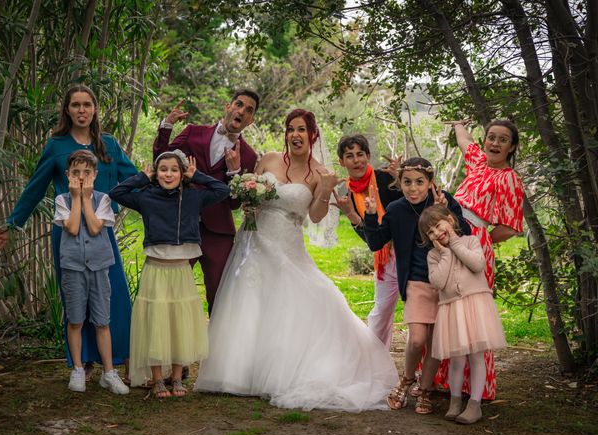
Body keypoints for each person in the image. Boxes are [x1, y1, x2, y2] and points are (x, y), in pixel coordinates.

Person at [194, 109, 399, 411]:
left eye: (302, 129)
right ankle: (236, 373)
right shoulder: (268, 160)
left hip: (286, 243)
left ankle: (280, 369)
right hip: (252, 239)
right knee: (246, 300)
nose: (295, 135)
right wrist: (244, 188)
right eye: (291, 129)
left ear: (312, 135)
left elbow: (315, 216)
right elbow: (245, 192)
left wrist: (326, 189)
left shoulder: (319, 173)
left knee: (287, 301)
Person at [0, 85, 137, 379]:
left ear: (95, 109)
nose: (82, 110)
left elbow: (132, 179)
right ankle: (82, 365)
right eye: (75, 105)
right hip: (68, 234)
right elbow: (35, 187)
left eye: (87, 105)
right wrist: (12, 223)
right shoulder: (56, 146)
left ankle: (120, 359)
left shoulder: (108, 144)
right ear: (67, 110)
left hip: (100, 231)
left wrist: (122, 203)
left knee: (114, 295)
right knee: (76, 298)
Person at [109, 151, 230, 398]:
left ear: (182, 173)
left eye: (174, 169)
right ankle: (157, 379)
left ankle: (176, 377)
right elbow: (117, 193)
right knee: (156, 321)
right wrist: (142, 177)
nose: (168, 174)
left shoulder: (194, 197)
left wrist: (197, 175)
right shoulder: (146, 197)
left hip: (181, 270)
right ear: (156, 172)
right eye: (163, 169)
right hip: (156, 269)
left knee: (178, 322)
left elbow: (221, 190)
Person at [362, 158, 471, 414]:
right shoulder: (397, 209)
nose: (413, 188)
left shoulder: (443, 202)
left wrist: (449, 213)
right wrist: (368, 216)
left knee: (435, 342)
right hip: (416, 282)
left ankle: (424, 389)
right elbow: (376, 242)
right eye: (407, 182)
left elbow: (465, 235)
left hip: (444, 283)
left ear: (430, 183)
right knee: (417, 339)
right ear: (399, 183)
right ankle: (407, 379)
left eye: (419, 182)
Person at [431, 119, 524, 400]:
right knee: (449, 309)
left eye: (502, 139)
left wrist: (480, 238)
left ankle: (476, 392)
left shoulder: (509, 178)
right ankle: (445, 383)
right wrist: (459, 125)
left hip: (474, 244)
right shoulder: (478, 163)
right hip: (450, 238)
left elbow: (509, 227)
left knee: (473, 316)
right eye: (491, 137)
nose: (495, 143)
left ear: (512, 147)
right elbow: (465, 143)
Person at [152, 90, 259, 312]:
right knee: (172, 291)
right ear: (228, 107)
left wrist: (234, 172)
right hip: (182, 225)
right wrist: (167, 126)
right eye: (239, 104)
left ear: (251, 120)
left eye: (249, 110)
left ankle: (216, 346)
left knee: (219, 296)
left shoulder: (249, 156)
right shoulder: (193, 133)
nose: (242, 111)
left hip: (218, 233)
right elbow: (161, 162)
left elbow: (233, 204)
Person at [419, 205, 507, 424]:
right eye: (430, 232)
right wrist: (446, 254)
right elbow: (438, 282)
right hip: (452, 309)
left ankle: (474, 405)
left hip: (475, 305)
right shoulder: (433, 255)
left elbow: (477, 265)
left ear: (450, 220)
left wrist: (456, 244)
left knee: (477, 357)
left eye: (439, 226)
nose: (437, 233)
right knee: (457, 360)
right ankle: (455, 401)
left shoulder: (470, 242)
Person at [54, 150, 129, 394]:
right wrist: (76, 198)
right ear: (68, 176)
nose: (82, 177)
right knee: (75, 320)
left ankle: (108, 372)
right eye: (76, 173)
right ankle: (77, 369)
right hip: (73, 269)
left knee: (102, 320)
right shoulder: (62, 201)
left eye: (87, 173)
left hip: (99, 268)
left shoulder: (104, 200)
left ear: (95, 175)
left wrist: (86, 199)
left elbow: (97, 228)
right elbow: (73, 228)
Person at [333, 134, 403, 350]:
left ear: (368, 156)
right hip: (384, 258)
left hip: (410, 251)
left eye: (360, 154)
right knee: (381, 311)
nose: (356, 160)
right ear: (342, 162)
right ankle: (374, 360)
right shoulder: (348, 194)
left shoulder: (386, 177)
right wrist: (352, 215)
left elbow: (411, 207)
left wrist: (400, 181)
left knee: (420, 313)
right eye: (350, 156)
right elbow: (370, 239)